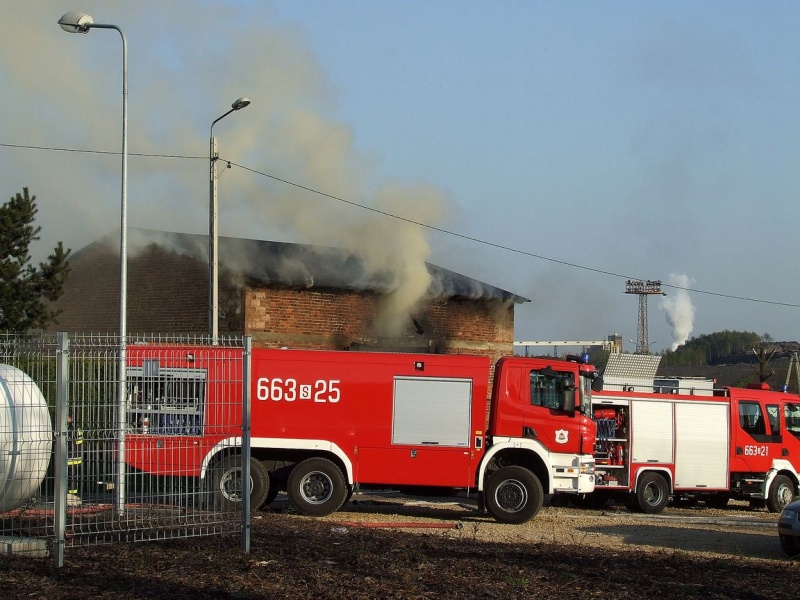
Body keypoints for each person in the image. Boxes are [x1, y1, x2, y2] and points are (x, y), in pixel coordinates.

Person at [67, 414, 84, 507]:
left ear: (70, 418)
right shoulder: (76, 427)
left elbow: (71, 442)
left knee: (71, 477)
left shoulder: (71, 428)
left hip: (71, 456)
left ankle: (71, 496)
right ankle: (73, 495)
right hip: (76, 455)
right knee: (73, 476)